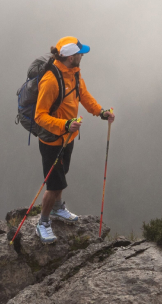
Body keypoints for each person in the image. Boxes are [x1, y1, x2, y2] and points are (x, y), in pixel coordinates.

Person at [32, 36, 115, 244]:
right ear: (70, 57)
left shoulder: (74, 74)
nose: (82, 56)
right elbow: (39, 116)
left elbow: (84, 96)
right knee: (53, 184)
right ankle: (42, 223)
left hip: (68, 138)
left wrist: (101, 112)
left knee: (62, 176)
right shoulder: (50, 81)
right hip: (52, 141)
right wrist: (65, 125)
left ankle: (58, 209)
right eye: (80, 53)